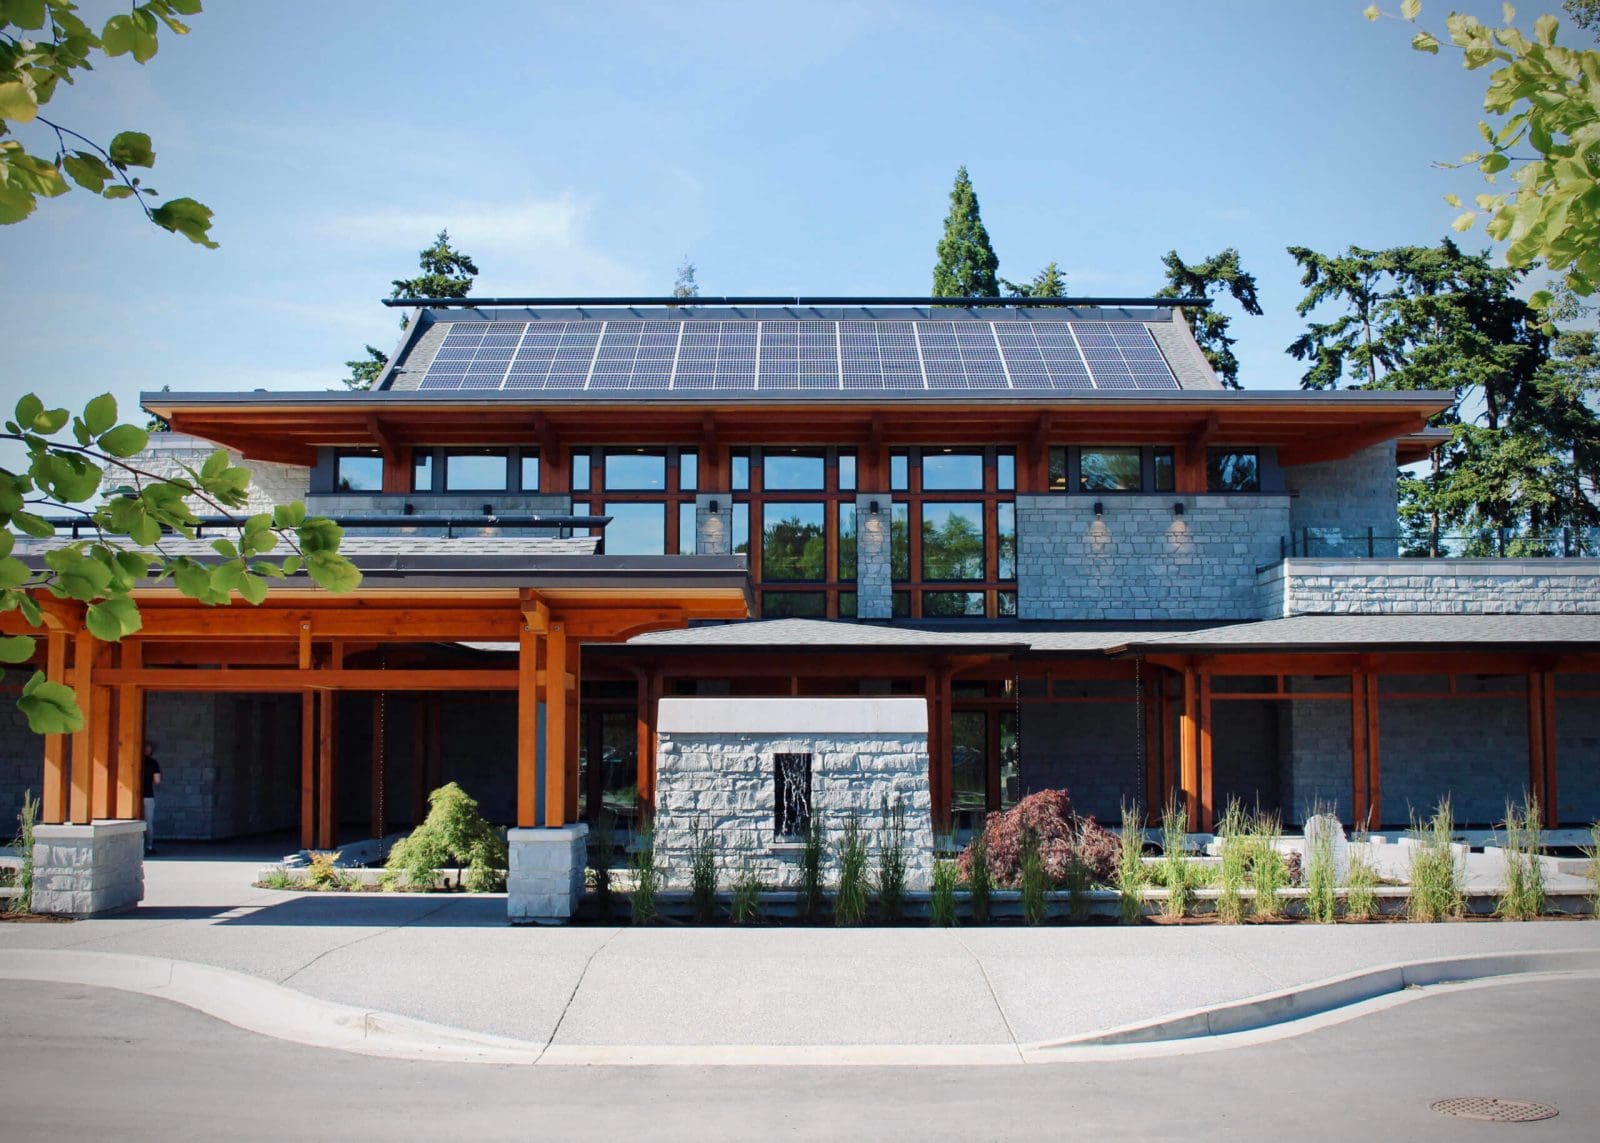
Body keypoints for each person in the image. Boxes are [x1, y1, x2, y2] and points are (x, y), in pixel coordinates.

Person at [142, 741, 162, 855]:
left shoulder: (135, 761)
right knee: (148, 822)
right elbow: (157, 780)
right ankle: (149, 846)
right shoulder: (153, 763)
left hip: (132, 796)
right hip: (148, 795)